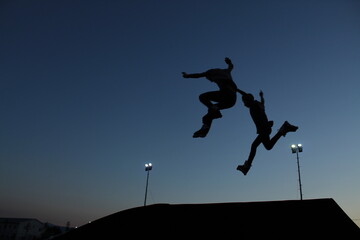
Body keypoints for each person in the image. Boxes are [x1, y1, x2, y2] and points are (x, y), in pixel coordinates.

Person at [236, 89, 298, 175]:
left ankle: (246, 167)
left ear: (249, 100)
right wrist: (261, 96)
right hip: (265, 129)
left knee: (254, 146)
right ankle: (283, 129)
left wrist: (236, 89)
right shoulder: (258, 104)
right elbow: (262, 102)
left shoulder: (254, 106)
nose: (244, 104)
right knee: (268, 146)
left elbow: (260, 115)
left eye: (244, 102)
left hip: (264, 129)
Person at [182, 57, 238, 138]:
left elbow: (198, 75)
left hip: (226, 94)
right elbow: (231, 67)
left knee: (202, 97)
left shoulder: (211, 73)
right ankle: (204, 131)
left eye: (210, 79)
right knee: (211, 111)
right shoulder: (226, 71)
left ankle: (215, 113)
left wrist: (187, 76)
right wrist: (229, 62)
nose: (211, 81)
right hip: (232, 101)